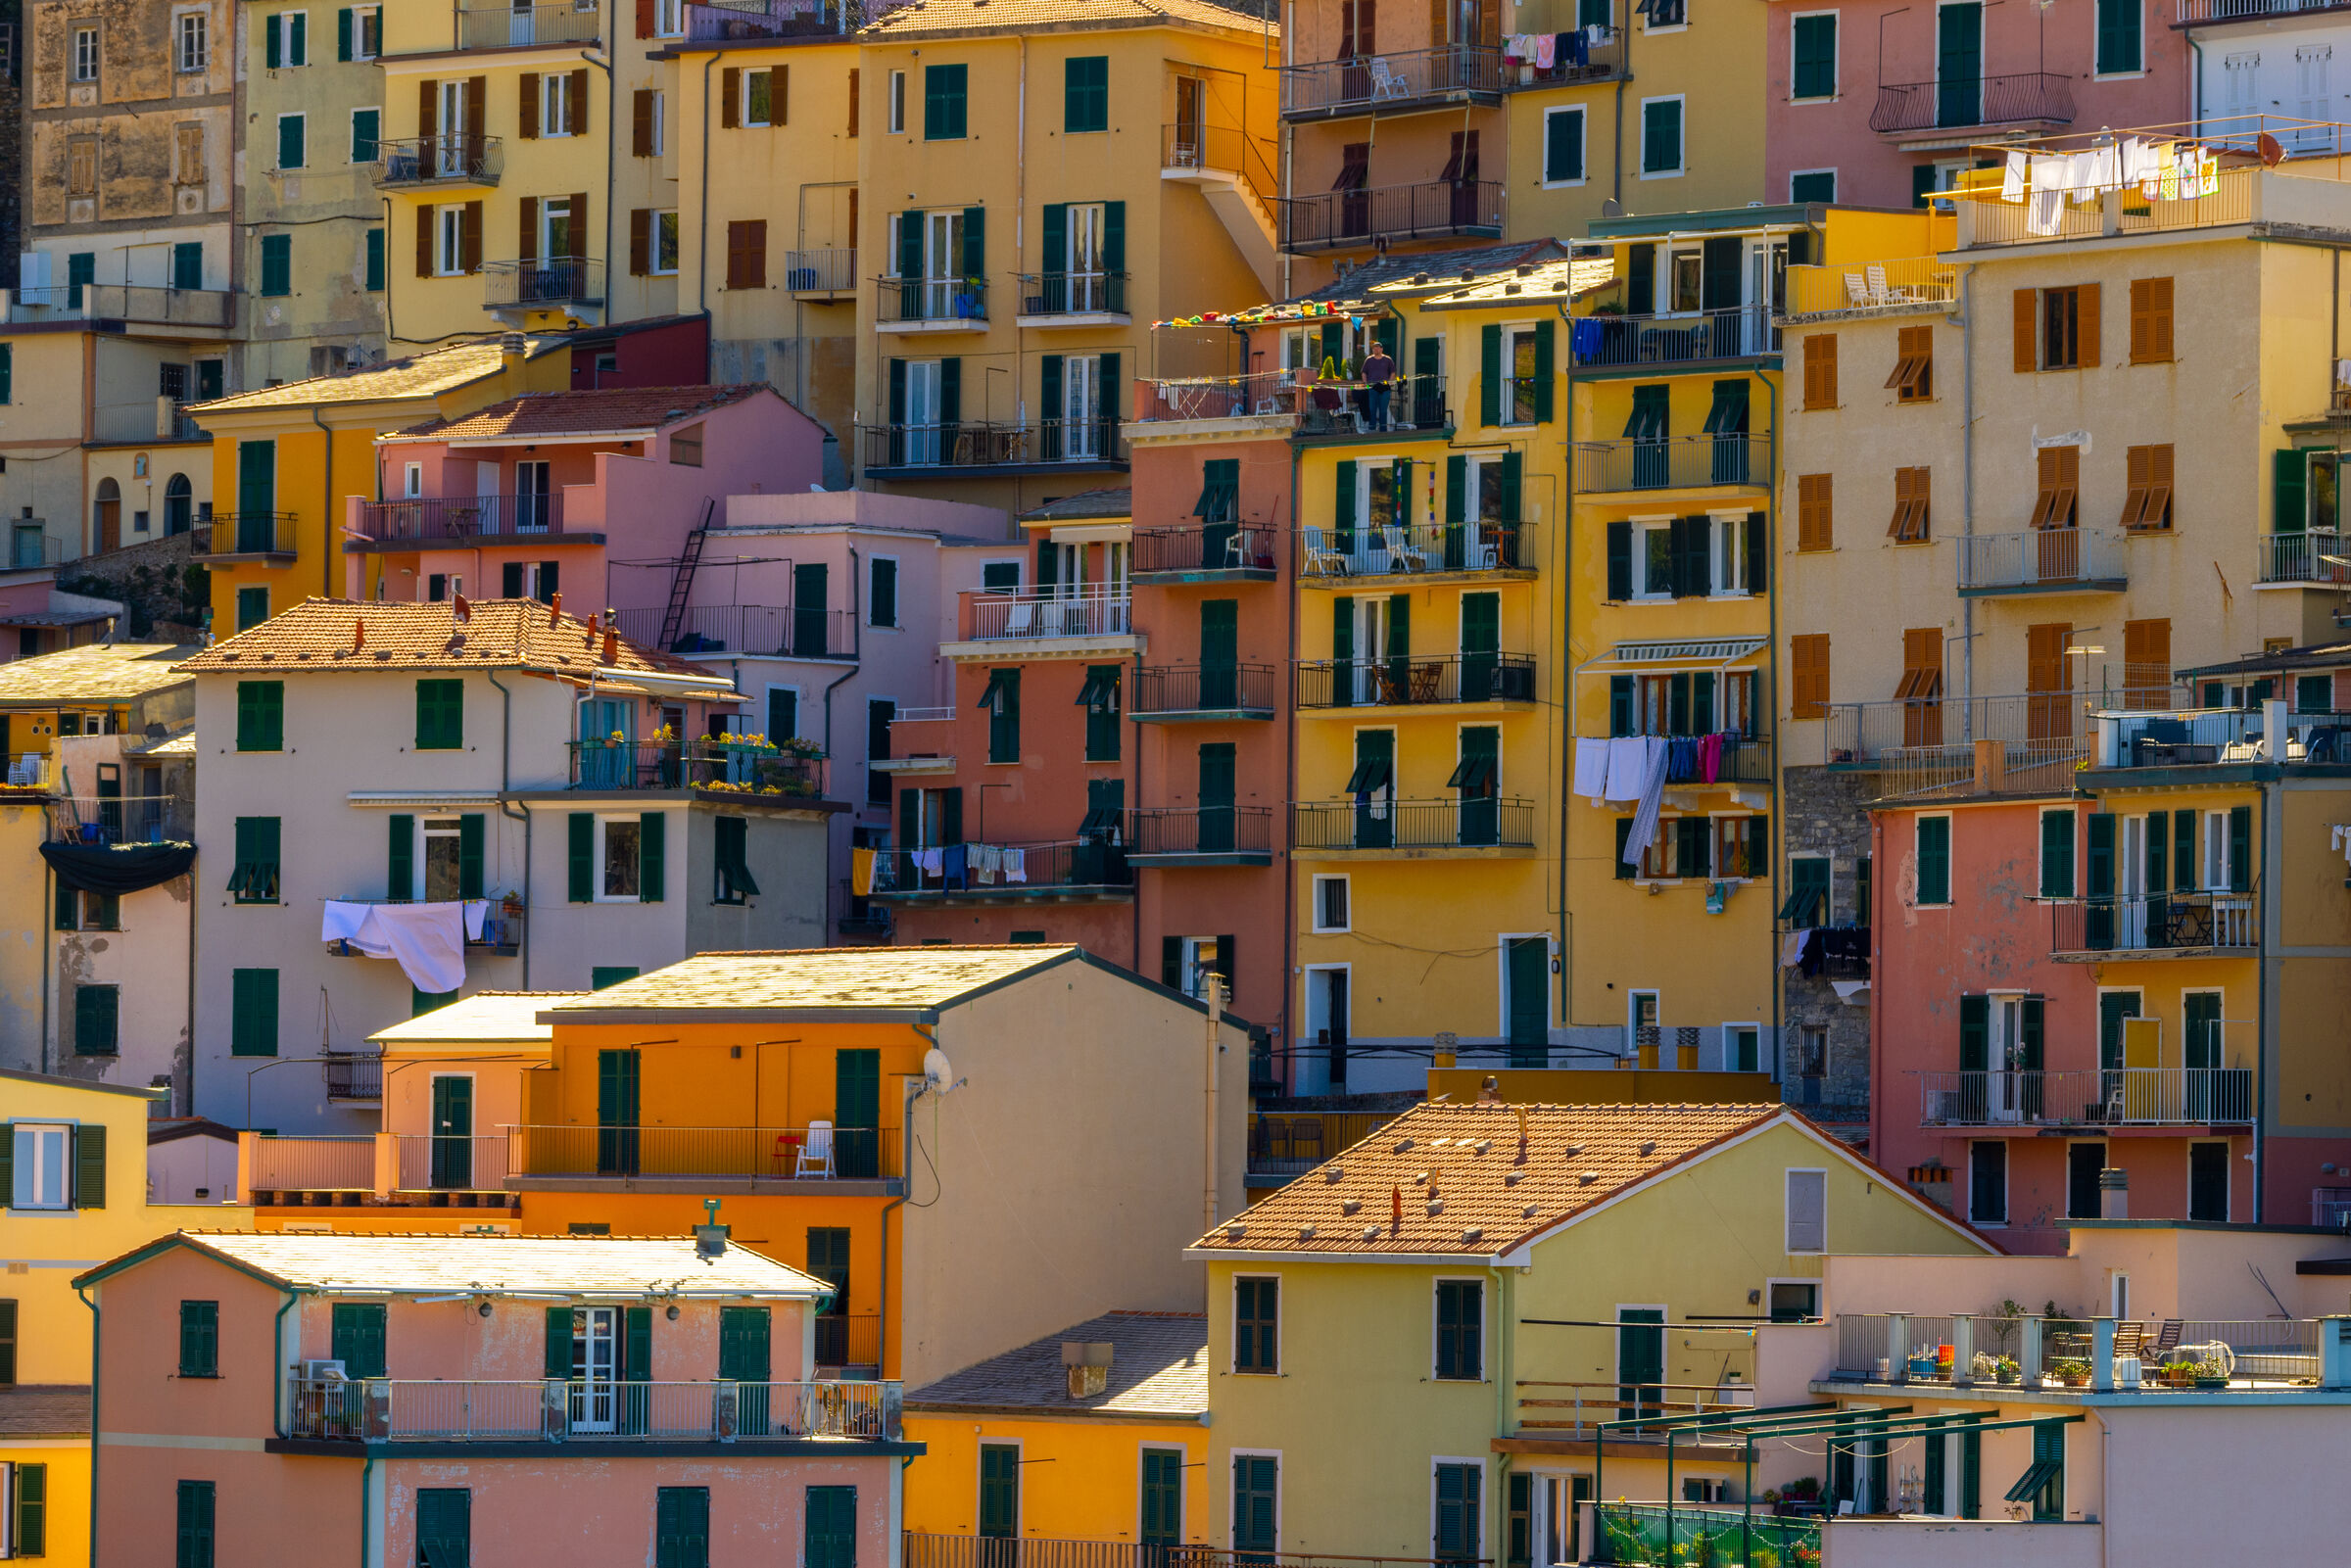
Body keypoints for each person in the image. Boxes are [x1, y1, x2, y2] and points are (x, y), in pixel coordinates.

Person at [1361, 341, 1397, 430]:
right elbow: (1364, 372)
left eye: (1377, 347)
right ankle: (1372, 429)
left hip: (1384, 388)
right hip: (1372, 387)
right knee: (1372, 409)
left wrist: (1389, 381)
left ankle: (1383, 429)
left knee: (1383, 410)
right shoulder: (1368, 360)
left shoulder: (1388, 359)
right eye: (1374, 347)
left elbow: (1393, 372)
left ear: (1381, 349)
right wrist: (1366, 384)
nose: (1375, 349)